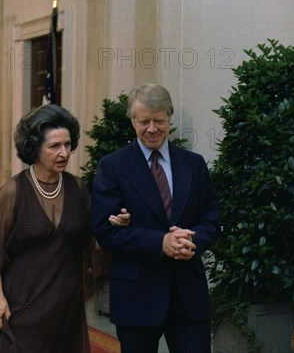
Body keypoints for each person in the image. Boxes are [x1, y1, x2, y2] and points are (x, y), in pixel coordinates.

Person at [0, 104, 129, 353]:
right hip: (22, 306)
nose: (64, 152)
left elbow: (92, 242)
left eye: (67, 144)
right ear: (34, 149)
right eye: (54, 146)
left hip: (66, 307)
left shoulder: (78, 189)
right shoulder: (12, 192)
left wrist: (113, 226)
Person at [91, 83, 220, 353]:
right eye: (144, 122)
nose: (152, 129)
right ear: (132, 122)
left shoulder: (193, 164)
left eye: (159, 121)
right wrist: (160, 242)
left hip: (188, 295)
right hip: (137, 296)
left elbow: (211, 219)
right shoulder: (112, 167)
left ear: (169, 119)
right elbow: (105, 230)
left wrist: (190, 242)